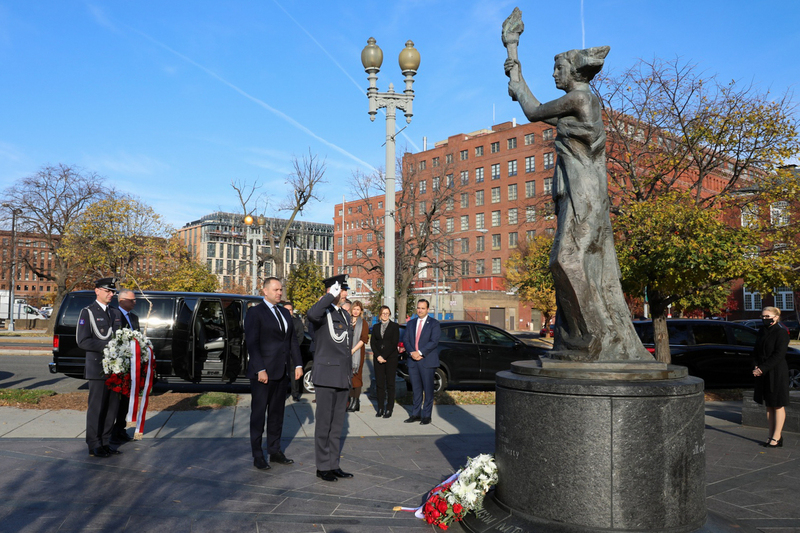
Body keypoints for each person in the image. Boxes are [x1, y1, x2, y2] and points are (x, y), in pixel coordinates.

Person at [504, 46, 650, 362]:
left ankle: (597, 335)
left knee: (566, 260)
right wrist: (516, 68)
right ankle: (584, 338)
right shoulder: (577, 104)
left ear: (573, 72)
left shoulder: (580, 97)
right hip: (576, 193)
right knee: (573, 264)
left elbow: (534, 111)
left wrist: (518, 81)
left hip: (585, 195)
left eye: (558, 69)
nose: (555, 74)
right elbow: (536, 110)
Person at [245, 277, 303, 471]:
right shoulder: (255, 313)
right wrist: (260, 369)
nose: (280, 293)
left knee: (277, 415)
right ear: (265, 291)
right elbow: (252, 343)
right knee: (259, 415)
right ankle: (257, 454)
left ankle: (275, 450)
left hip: (281, 372)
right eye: (276, 289)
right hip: (262, 374)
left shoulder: (285, 314)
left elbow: (292, 341)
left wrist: (298, 365)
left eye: (281, 290)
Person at [306, 274, 354, 482]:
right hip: (326, 375)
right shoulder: (322, 311)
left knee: (336, 426)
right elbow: (311, 314)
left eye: (344, 290)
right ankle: (322, 466)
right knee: (324, 424)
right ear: (332, 290)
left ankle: (333, 464)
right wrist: (328, 296)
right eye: (341, 290)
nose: (344, 294)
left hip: (342, 375)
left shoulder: (342, 314)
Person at [77, 277, 124, 458]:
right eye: (108, 291)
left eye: (112, 291)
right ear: (97, 291)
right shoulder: (87, 312)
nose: (111, 294)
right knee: (97, 407)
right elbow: (82, 341)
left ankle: (105, 441)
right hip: (97, 367)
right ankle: (94, 443)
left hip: (115, 368)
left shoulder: (115, 312)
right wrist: (108, 346)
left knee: (112, 407)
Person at [753, 306, 790, 448]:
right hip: (764, 372)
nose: (764, 319)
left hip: (777, 372)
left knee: (777, 404)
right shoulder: (761, 331)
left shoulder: (781, 333)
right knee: (769, 405)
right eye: (762, 316)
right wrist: (756, 366)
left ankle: (777, 436)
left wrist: (762, 368)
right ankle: (770, 435)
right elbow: (756, 351)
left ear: (776, 317)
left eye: (767, 316)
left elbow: (779, 355)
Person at [402, 299, 441, 425]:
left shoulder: (434, 323)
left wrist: (420, 353)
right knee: (416, 389)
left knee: (428, 389)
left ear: (428, 309)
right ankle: (415, 414)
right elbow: (406, 340)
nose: (420, 310)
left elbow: (434, 341)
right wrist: (412, 352)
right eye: (418, 308)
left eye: (423, 308)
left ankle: (426, 416)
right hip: (413, 361)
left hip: (427, 361)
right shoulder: (411, 323)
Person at [110, 288, 140, 445]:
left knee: (127, 399)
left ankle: (121, 429)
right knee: (116, 399)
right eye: (132, 300)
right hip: (118, 364)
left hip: (131, 364)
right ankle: (112, 432)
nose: (135, 302)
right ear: (122, 301)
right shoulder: (114, 314)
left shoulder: (134, 317)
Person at [370, 305, 400, 418]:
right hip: (378, 359)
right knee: (380, 384)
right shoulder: (376, 326)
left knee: (390, 384)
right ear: (380, 314)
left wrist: (384, 356)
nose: (385, 315)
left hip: (390, 358)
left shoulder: (394, 326)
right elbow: (373, 343)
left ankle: (389, 408)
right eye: (383, 313)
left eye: (387, 313)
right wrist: (378, 356)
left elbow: (394, 343)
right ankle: (380, 408)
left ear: (390, 314)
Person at [346, 300, 368, 412]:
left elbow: (364, 339)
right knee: (348, 377)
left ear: (361, 311)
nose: (355, 311)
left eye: (358, 309)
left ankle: (355, 401)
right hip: (346, 353)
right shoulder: (347, 321)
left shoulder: (363, 323)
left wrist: (353, 350)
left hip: (357, 353)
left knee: (356, 377)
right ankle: (350, 401)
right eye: (354, 309)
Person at [281, 301, 306, 402]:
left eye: (290, 310)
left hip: (292, 353)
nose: (288, 312)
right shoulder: (280, 321)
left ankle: (295, 394)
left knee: (293, 374)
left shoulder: (297, 322)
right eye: (286, 310)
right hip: (281, 353)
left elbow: (300, 336)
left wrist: (293, 349)